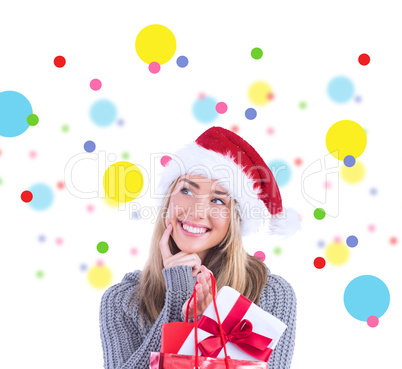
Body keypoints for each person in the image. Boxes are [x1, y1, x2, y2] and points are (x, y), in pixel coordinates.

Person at [99, 126, 301, 369]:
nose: (196, 211)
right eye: (186, 190)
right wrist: (179, 295)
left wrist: (212, 323)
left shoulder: (268, 293)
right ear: (168, 201)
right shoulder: (123, 300)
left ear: (234, 218)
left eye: (218, 200)